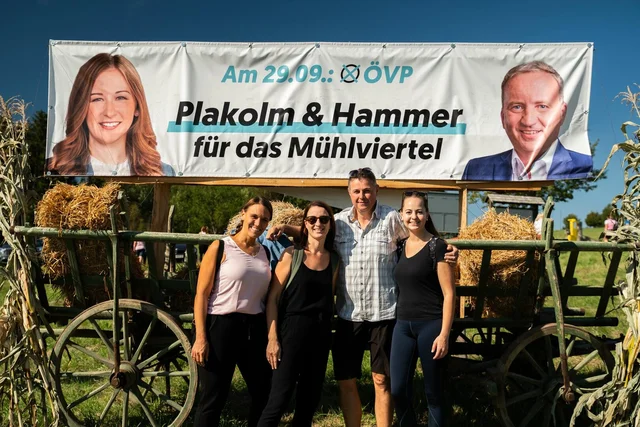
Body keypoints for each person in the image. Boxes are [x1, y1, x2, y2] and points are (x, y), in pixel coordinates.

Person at [268, 167, 458, 427]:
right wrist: (286, 227)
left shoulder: (392, 219)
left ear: (376, 190)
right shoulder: (339, 222)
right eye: (356, 191)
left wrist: (446, 246)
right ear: (349, 192)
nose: (362, 196)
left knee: (382, 380)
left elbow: (419, 232)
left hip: (384, 313)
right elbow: (314, 230)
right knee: (346, 381)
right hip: (349, 314)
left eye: (367, 190)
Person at [191, 197, 273, 427]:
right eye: (254, 216)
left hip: (254, 328)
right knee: (214, 397)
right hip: (221, 326)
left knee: (264, 391)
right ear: (243, 214)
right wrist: (201, 338)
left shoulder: (265, 252)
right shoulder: (220, 247)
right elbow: (201, 294)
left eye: (264, 219)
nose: (258, 223)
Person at [257, 201, 339, 426]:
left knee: (309, 402)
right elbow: (273, 299)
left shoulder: (334, 260)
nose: (318, 223)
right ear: (305, 224)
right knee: (278, 400)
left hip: (320, 335)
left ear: (330, 224)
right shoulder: (291, 256)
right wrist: (272, 339)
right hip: (291, 333)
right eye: (312, 219)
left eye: (324, 219)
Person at [47, 53, 174, 176]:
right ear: (81, 107)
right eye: (97, 99)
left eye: (120, 98)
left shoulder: (163, 172)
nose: (109, 112)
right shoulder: (56, 169)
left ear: (137, 107)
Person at [462, 61, 592, 181]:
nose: (528, 121)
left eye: (542, 106)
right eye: (517, 107)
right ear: (503, 117)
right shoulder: (476, 169)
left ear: (562, 113)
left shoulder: (585, 167)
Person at [390, 191, 455, 427]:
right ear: (401, 215)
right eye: (408, 212)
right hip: (402, 326)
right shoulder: (399, 246)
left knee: (433, 392)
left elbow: (449, 294)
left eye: (419, 211)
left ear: (427, 215)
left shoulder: (437, 247)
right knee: (397, 389)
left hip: (431, 326)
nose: (413, 217)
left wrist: (444, 335)